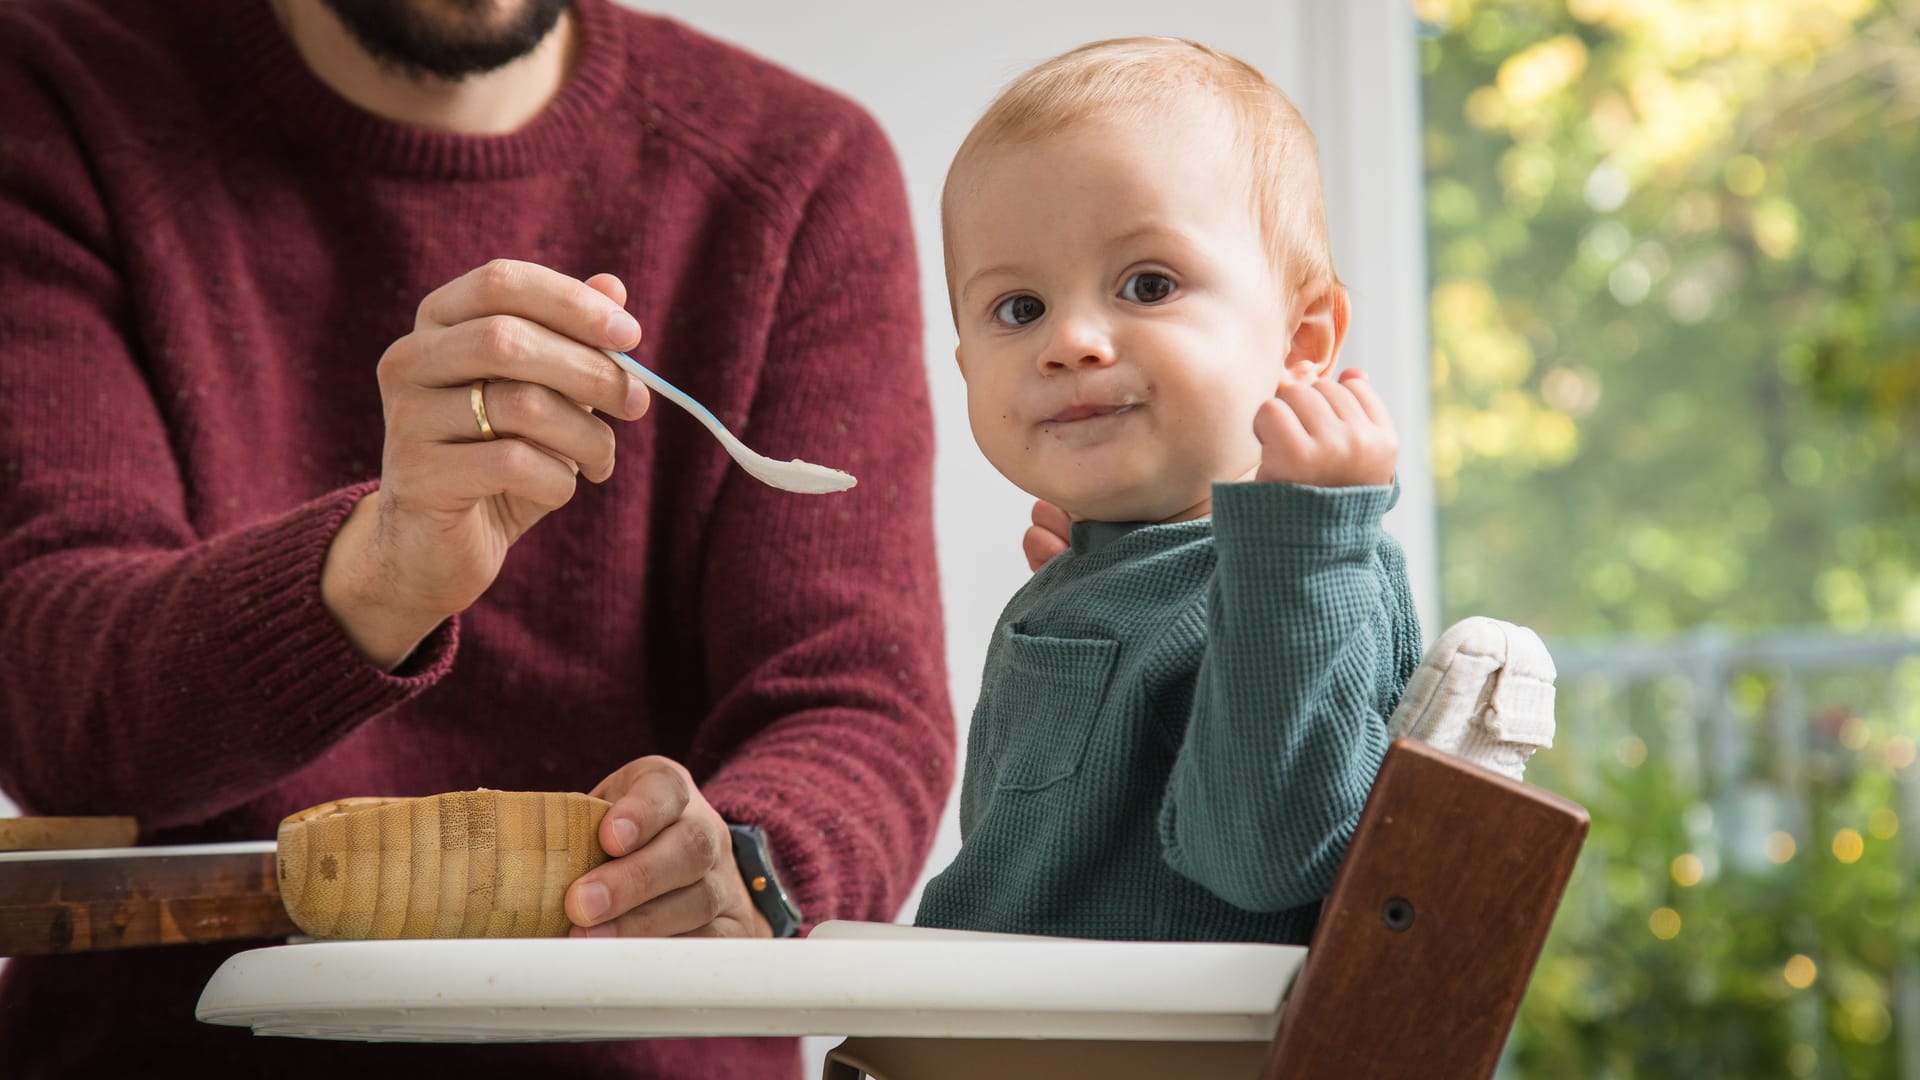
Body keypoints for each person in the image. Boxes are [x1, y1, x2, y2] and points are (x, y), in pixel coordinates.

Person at [0, 0, 952, 1075]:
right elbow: (51, 707)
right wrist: (381, 571)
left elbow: (855, 704)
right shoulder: (53, 94)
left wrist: (735, 866)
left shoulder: (795, 167)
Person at [913, 38, 1423, 944]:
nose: (1069, 340)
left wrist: (1304, 545)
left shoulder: (1313, 575)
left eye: (1148, 285)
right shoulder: (1102, 571)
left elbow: (1266, 857)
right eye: (1018, 308)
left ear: (1302, 342)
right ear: (961, 362)